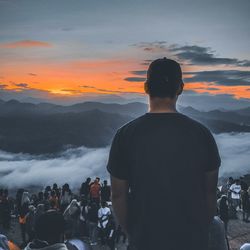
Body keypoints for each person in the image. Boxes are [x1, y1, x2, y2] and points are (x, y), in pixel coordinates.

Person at [107, 58, 221, 250]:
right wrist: (200, 229)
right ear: (181, 88)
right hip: (192, 240)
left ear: (145, 87)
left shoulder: (125, 135)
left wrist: (132, 233)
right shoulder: (202, 134)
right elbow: (209, 192)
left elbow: (118, 195)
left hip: (145, 239)